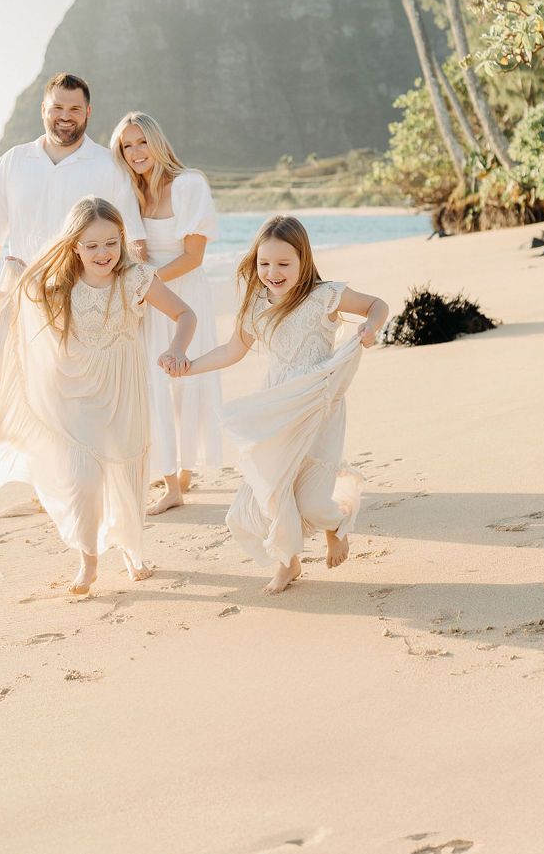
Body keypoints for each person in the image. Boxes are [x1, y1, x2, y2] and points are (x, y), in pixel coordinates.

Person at [0, 198, 196, 595]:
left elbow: (185, 314)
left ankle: (131, 550)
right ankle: (88, 561)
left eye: (110, 242)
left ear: (122, 239)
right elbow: (19, 301)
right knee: (83, 477)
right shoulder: (59, 284)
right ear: (73, 245)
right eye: (90, 245)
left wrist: (177, 348)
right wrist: (2, 280)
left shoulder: (137, 277)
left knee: (126, 473)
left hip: (124, 391)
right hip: (74, 391)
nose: (102, 253)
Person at [159, 215, 386, 596]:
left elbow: (377, 304)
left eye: (284, 264)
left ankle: (335, 525)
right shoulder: (255, 305)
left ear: (303, 260)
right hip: (276, 408)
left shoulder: (324, 295)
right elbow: (233, 350)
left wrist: (370, 327)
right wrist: (189, 366)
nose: (273, 272)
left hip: (317, 406)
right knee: (273, 490)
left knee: (312, 502)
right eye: (265, 263)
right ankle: (288, 562)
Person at [111, 112, 222, 515]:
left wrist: (145, 283)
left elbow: (194, 256)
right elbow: (129, 248)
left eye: (142, 142)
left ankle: (182, 476)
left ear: (157, 142)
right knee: (156, 385)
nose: (136, 152)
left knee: (185, 382)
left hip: (184, 292)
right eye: (127, 146)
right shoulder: (129, 192)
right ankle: (172, 478)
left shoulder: (189, 184)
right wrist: (139, 289)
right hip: (147, 296)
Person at [0, 72, 146, 326]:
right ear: (44, 110)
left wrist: (135, 300)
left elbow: (134, 239)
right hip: (24, 302)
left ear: (88, 112)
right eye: (57, 108)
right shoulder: (13, 162)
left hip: (90, 306)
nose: (65, 116)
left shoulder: (110, 166)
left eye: (75, 108)